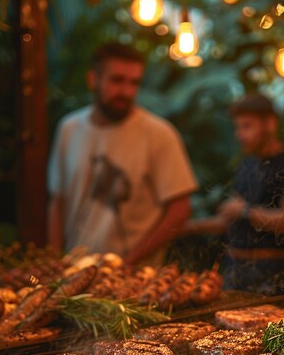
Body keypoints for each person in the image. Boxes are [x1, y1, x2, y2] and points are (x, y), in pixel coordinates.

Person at [47, 42, 198, 266]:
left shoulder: (159, 134)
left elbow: (180, 210)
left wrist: (128, 263)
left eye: (134, 83)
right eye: (116, 80)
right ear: (93, 80)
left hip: (135, 283)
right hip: (74, 275)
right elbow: (57, 201)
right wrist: (54, 260)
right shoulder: (69, 129)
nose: (125, 92)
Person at [184, 93, 284, 293]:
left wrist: (246, 210)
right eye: (238, 127)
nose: (239, 134)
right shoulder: (246, 164)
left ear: (270, 124)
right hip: (233, 269)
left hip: (269, 273)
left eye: (247, 126)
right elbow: (228, 219)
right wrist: (183, 227)